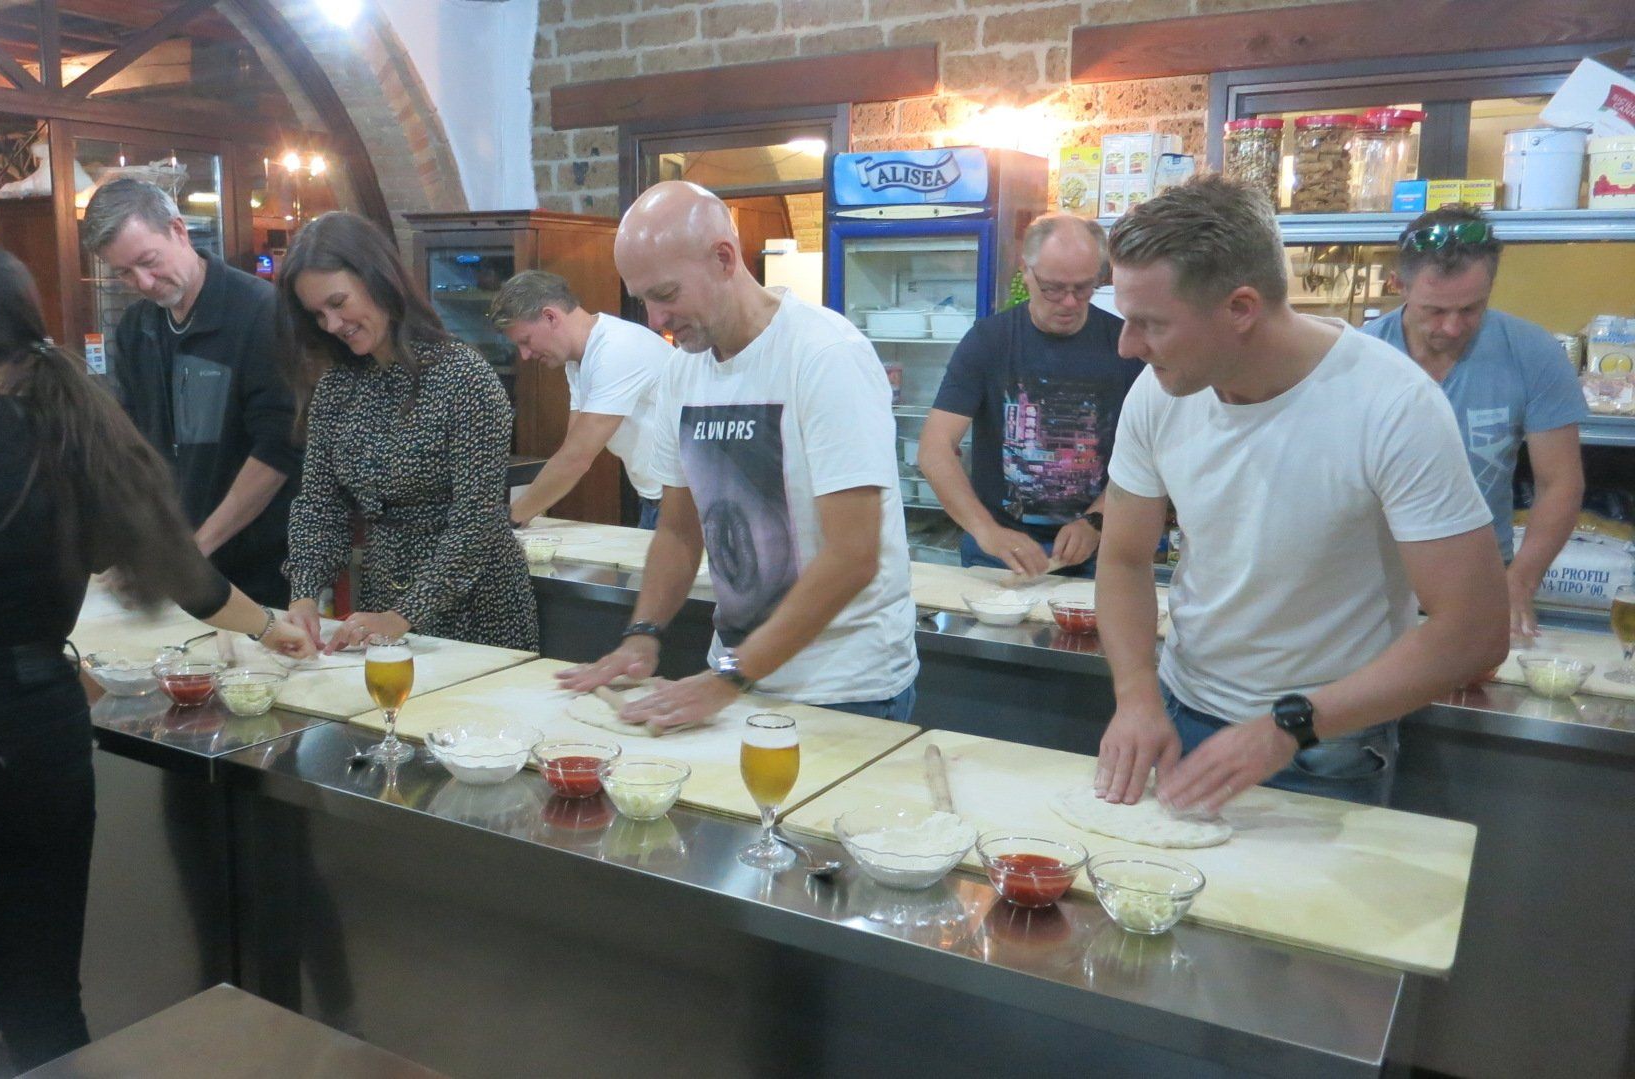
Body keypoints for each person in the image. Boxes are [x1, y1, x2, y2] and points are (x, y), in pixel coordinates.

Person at [0, 242, 314, 1078]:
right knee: (45, 1002)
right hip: (36, 733)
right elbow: (187, 575)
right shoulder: (84, 430)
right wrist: (271, 628)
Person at [1091, 176, 1507, 814]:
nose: (1127, 347)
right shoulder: (1160, 391)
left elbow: (1474, 631)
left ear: (1241, 308)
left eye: (1150, 324)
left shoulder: (1392, 406)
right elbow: (1122, 558)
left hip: (1324, 742)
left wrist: (1288, 726)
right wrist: (1137, 696)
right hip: (1180, 710)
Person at [559, 181, 919, 726]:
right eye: (643, 300)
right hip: (739, 676)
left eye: (666, 294)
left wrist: (729, 677)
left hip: (845, 688)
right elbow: (679, 530)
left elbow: (853, 554)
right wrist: (643, 633)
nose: (655, 319)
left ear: (724, 258)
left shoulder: (824, 355)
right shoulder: (683, 371)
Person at [276, 211, 539, 653]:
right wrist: (303, 593)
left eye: (338, 303)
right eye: (317, 314)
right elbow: (321, 503)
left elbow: (477, 521)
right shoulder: (338, 386)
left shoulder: (463, 377)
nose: (332, 325)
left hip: (477, 608)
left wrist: (403, 615)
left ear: (378, 280)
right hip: (383, 597)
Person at [1363, 206, 1587, 638]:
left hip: (1482, 575)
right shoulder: (1359, 357)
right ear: (1399, 285)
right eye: (1434, 310)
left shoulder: (1532, 352)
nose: (1452, 327)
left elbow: (1559, 482)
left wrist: (1519, 581)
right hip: (1374, 578)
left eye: (1471, 308)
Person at [82, 178, 301, 608]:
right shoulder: (137, 328)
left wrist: (195, 550)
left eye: (148, 261)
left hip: (259, 567)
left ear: (179, 231)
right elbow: (137, 447)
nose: (143, 282)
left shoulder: (259, 312)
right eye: (125, 272)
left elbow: (278, 451)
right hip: (179, 561)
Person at [919, 214, 1140, 577]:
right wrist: (985, 530)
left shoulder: (1126, 346)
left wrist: (1096, 521)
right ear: (1026, 272)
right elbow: (934, 449)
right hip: (998, 552)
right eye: (1053, 288)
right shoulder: (989, 341)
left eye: (1084, 287)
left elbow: (1146, 456)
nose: (1069, 302)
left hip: (1097, 552)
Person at [489, 270, 667, 529]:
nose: (525, 355)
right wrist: (529, 511)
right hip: (655, 500)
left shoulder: (616, 349)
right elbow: (571, 448)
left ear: (550, 317)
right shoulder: (578, 361)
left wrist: (507, 521)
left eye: (526, 341)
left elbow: (577, 458)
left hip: (689, 504)